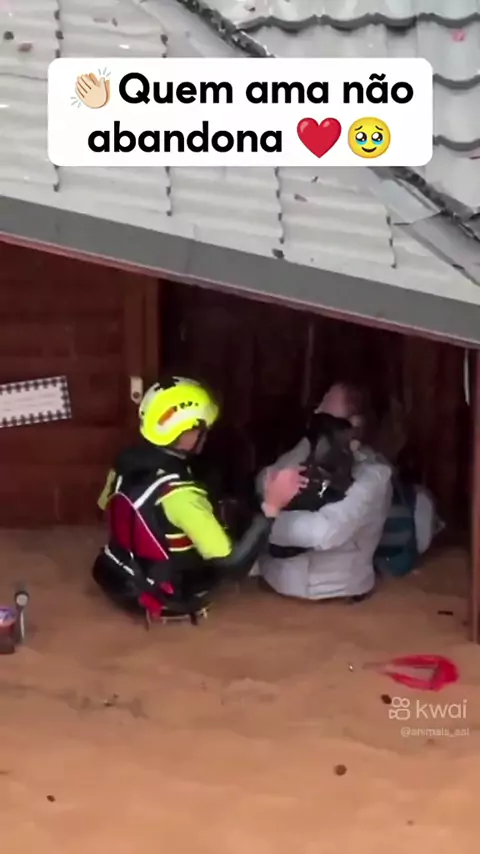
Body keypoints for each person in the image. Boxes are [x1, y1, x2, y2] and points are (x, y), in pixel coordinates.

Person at [93, 376, 306, 624]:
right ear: (182, 433)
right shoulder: (182, 495)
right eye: (200, 429)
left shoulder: (124, 461)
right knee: (239, 538)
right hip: (163, 590)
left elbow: (104, 507)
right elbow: (233, 565)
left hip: (119, 570)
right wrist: (272, 505)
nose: (206, 434)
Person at [255, 383, 393, 602]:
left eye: (326, 412)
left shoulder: (375, 475)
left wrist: (264, 517)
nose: (317, 412)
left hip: (335, 596)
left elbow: (325, 532)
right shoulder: (308, 447)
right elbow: (266, 478)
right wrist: (272, 496)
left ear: (354, 425)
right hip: (273, 585)